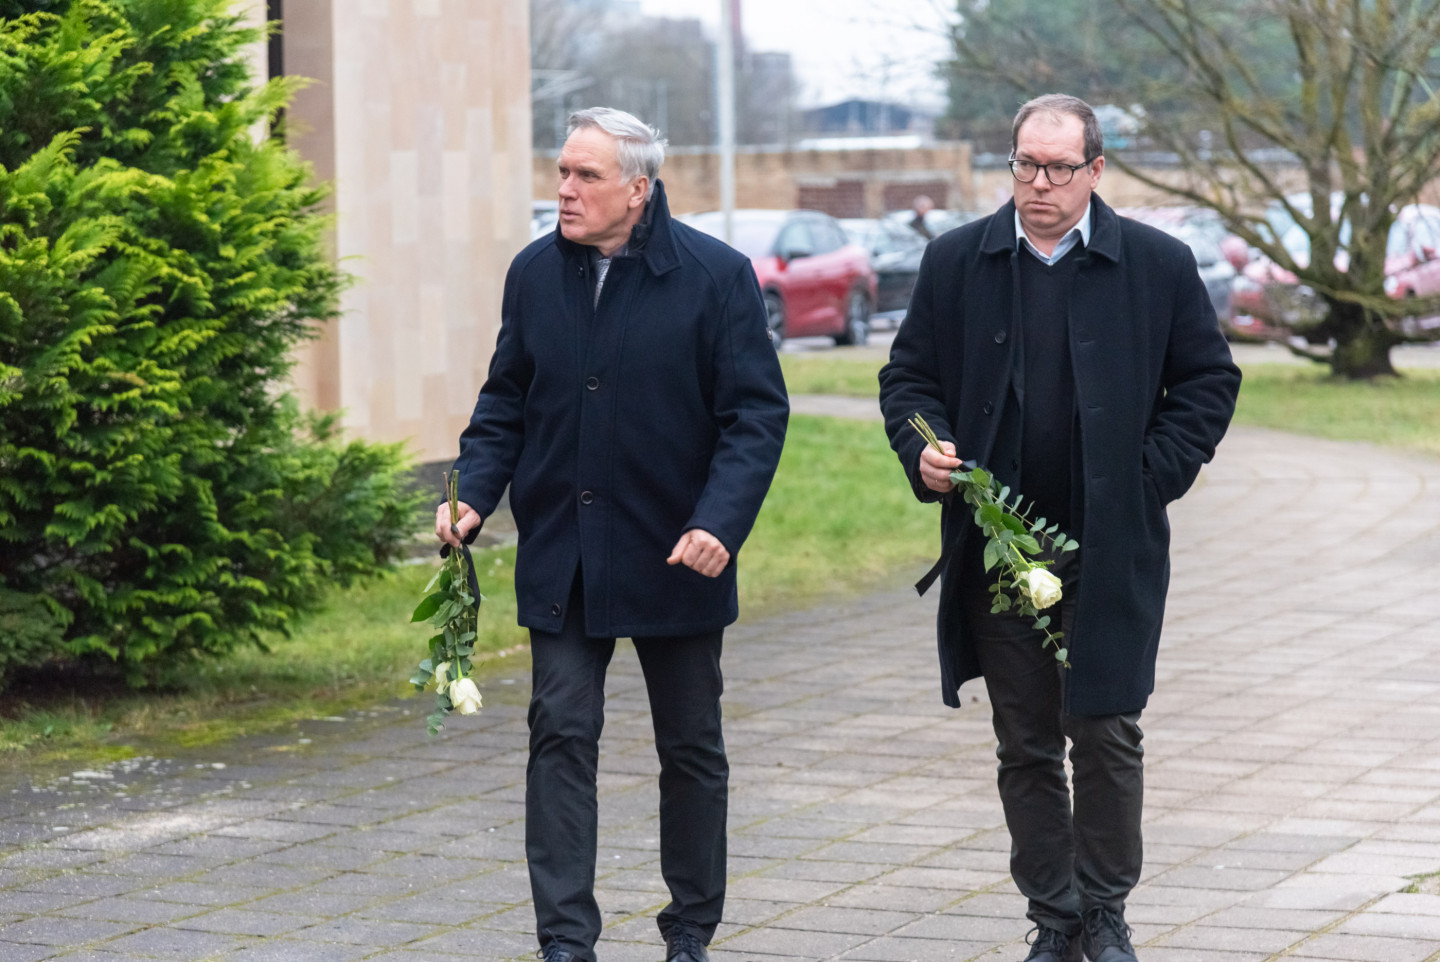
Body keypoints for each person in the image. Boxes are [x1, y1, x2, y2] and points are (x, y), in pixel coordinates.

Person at [878, 94, 1240, 962]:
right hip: (998, 549)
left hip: (1109, 548)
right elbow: (908, 380)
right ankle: (1055, 915)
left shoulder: (1155, 264)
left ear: (1096, 170)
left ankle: (1106, 911)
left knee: (1107, 730)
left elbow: (1207, 383)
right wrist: (925, 451)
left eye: (1059, 168)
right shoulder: (958, 260)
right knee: (1026, 742)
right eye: (1025, 165)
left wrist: (1147, 479)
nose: (1039, 184)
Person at [437, 107, 788, 962]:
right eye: (562, 171)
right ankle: (565, 940)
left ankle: (690, 931)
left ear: (638, 189)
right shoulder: (533, 273)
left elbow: (754, 417)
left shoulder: (716, 276)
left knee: (690, 747)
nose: (564, 188)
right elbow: (505, 401)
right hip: (563, 552)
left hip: (677, 553)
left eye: (585, 176)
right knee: (559, 734)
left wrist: (719, 522)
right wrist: (473, 494)